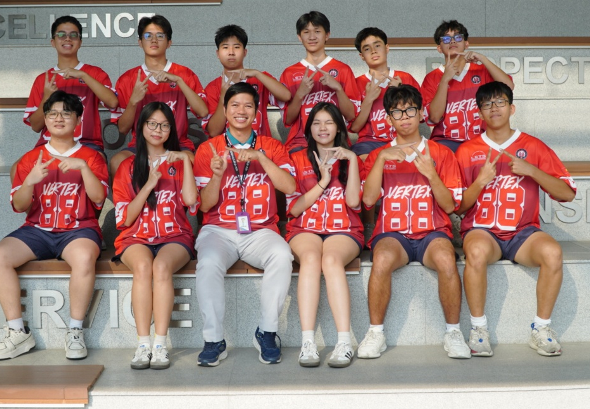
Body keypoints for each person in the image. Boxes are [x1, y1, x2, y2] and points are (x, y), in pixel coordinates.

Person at [455, 81, 576, 357]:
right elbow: (458, 208)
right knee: (475, 251)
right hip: (483, 231)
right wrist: (480, 182)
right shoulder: (466, 150)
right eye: (487, 104)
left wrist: (533, 171)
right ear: (479, 113)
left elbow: (567, 194)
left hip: (522, 233)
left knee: (553, 252)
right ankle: (478, 329)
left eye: (500, 102)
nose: (494, 108)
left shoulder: (533, 146)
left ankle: (541, 328)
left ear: (512, 108)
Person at [0, 91, 108, 361]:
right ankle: (18, 332)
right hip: (38, 229)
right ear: (45, 119)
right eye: (52, 113)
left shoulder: (91, 157)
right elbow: (19, 205)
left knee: (84, 257)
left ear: (78, 120)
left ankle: (75, 331)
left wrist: (83, 168)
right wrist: (29, 182)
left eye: (66, 113)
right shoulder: (31, 158)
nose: (59, 118)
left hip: (78, 229)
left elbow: (99, 198)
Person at [357, 85, 471, 360]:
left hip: (432, 232)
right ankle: (375, 333)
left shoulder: (441, 153)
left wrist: (431, 174)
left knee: (446, 260)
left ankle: (453, 332)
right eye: (397, 112)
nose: (404, 116)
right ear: (388, 119)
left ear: (421, 114)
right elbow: (368, 200)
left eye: (410, 110)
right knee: (382, 259)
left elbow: (450, 206)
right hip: (393, 233)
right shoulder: (378, 155)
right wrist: (381, 159)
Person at [193, 83, 296, 367]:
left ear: (256, 112)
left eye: (248, 105)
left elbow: (289, 187)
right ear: (225, 110)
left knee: (282, 255)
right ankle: (214, 340)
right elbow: (204, 206)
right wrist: (217, 176)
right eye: (235, 105)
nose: (241, 111)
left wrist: (261, 158)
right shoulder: (208, 149)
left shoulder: (272, 146)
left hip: (260, 230)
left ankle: (267, 332)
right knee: (208, 262)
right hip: (218, 230)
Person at [112, 102, 197, 370]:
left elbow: (191, 201)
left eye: (164, 125)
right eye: (152, 123)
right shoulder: (127, 166)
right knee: (142, 266)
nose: (158, 129)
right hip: (135, 236)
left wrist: (186, 160)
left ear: (171, 129)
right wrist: (148, 184)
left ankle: (160, 345)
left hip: (175, 235)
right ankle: (143, 344)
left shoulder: (180, 163)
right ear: (142, 127)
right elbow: (125, 219)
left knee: (161, 267)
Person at [286, 102, 365, 368]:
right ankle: (307, 342)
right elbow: (294, 209)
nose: (323, 128)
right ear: (309, 128)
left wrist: (351, 160)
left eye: (329, 122)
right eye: (317, 122)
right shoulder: (297, 158)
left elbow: (353, 202)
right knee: (310, 259)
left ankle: (344, 342)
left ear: (339, 128)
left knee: (330, 260)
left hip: (344, 229)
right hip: (305, 227)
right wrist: (323, 181)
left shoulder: (352, 159)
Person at [14, 15, 118, 179]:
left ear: (80, 42)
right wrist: (47, 97)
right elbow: (35, 126)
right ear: (53, 42)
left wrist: (83, 75)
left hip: (87, 143)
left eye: (73, 35)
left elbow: (113, 102)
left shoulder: (94, 73)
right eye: (61, 34)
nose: (67, 38)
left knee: (95, 166)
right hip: (49, 144)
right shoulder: (43, 79)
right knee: (17, 169)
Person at [111, 15, 208, 175]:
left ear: (169, 42)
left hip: (178, 144)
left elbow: (203, 112)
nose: (154, 40)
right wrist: (133, 102)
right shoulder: (128, 79)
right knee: (117, 162)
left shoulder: (184, 74)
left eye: (160, 36)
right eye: (148, 36)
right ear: (140, 42)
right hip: (140, 146)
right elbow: (122, 129)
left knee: (191, 161)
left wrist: (179, 81)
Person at [420, 20, 514, 153]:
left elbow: (508, 86)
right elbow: (434, 117)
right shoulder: (432, 78)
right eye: (446, 39)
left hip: (481, 140)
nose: (452, 41)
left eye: (458, 37)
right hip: (446, 142)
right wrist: (445, 79)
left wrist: (483, 59)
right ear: (439, 48)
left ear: (466, 44)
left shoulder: (481, 70)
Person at [280, 11, 361, 154]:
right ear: (299, 37)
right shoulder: (289, 73)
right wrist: (299, 94)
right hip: (301, 143)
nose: (312, 37)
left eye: (317, 31)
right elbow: (287, 120)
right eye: (306, 32)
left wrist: (338, 89)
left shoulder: (343, 70)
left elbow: (351, 116)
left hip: (336, 142)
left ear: (327, 35)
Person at [203, 24, 291, 138]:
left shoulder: (260, 78)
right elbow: (214, 132)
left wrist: (257, 74)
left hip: (260, 145)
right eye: (225, 47)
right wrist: (223, 96)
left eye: (236, 47)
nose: (231, 52)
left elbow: (286, 96)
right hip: (226, 148)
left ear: (245, 52)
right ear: (218, 54)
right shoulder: (212, 87)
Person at [350, 27, 421, 159]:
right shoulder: (356, 83)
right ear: (361, 56)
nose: (373, 51)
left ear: (387, 48)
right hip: (369, 142)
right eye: (367, 48)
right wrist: (369, 99)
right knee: (363, 161)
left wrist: (401, 90)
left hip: (403, 139)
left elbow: (420, 116)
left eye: (377, 45)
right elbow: (355, 128)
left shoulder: (405, 78)